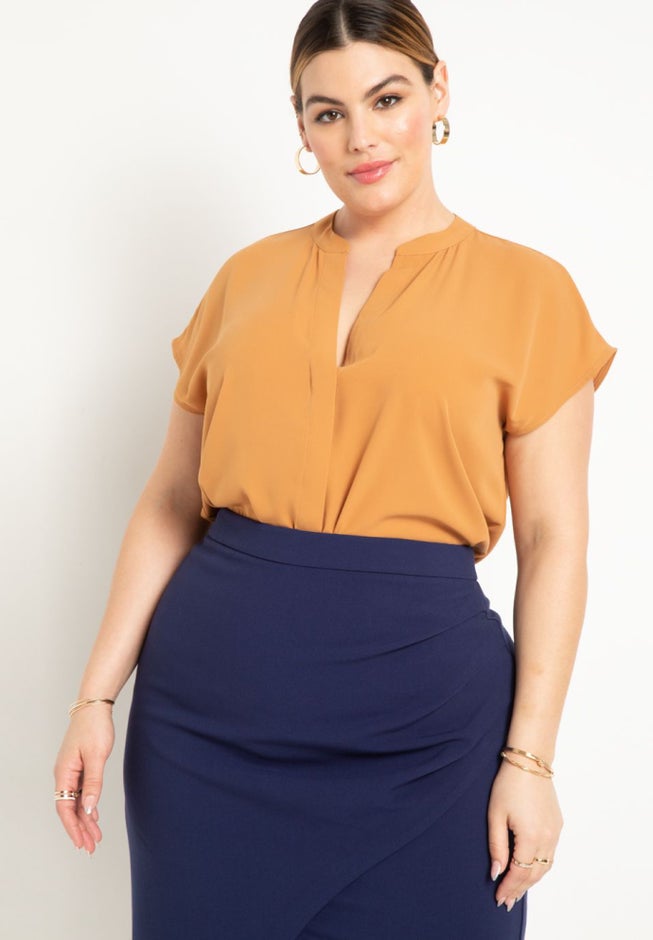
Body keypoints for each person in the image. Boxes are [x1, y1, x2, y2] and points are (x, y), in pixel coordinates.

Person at [53, 1, 617, 937]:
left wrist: (530, 760)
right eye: (327, 112)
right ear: (301, 125)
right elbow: (170, 501)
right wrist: (95, 696)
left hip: (430, 733)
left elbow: (555, 539)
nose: (360, 138)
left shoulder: (531, 291)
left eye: (386, 98)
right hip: (207, 726)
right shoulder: (245, 278)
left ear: (437, 91)